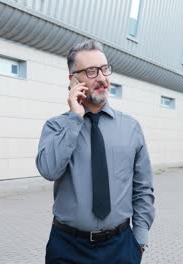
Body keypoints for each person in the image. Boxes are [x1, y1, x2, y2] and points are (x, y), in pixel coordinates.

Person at [36, 39, 155, 264]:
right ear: (73, 80)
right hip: (67, 248)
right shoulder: (56, 127)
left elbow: (143, 189)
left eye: (104, 69)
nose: (101, 78)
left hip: (120, 248)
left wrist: (139, 239)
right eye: (91, 71)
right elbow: (49, 170)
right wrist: (75, 118)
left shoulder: (130, 128)